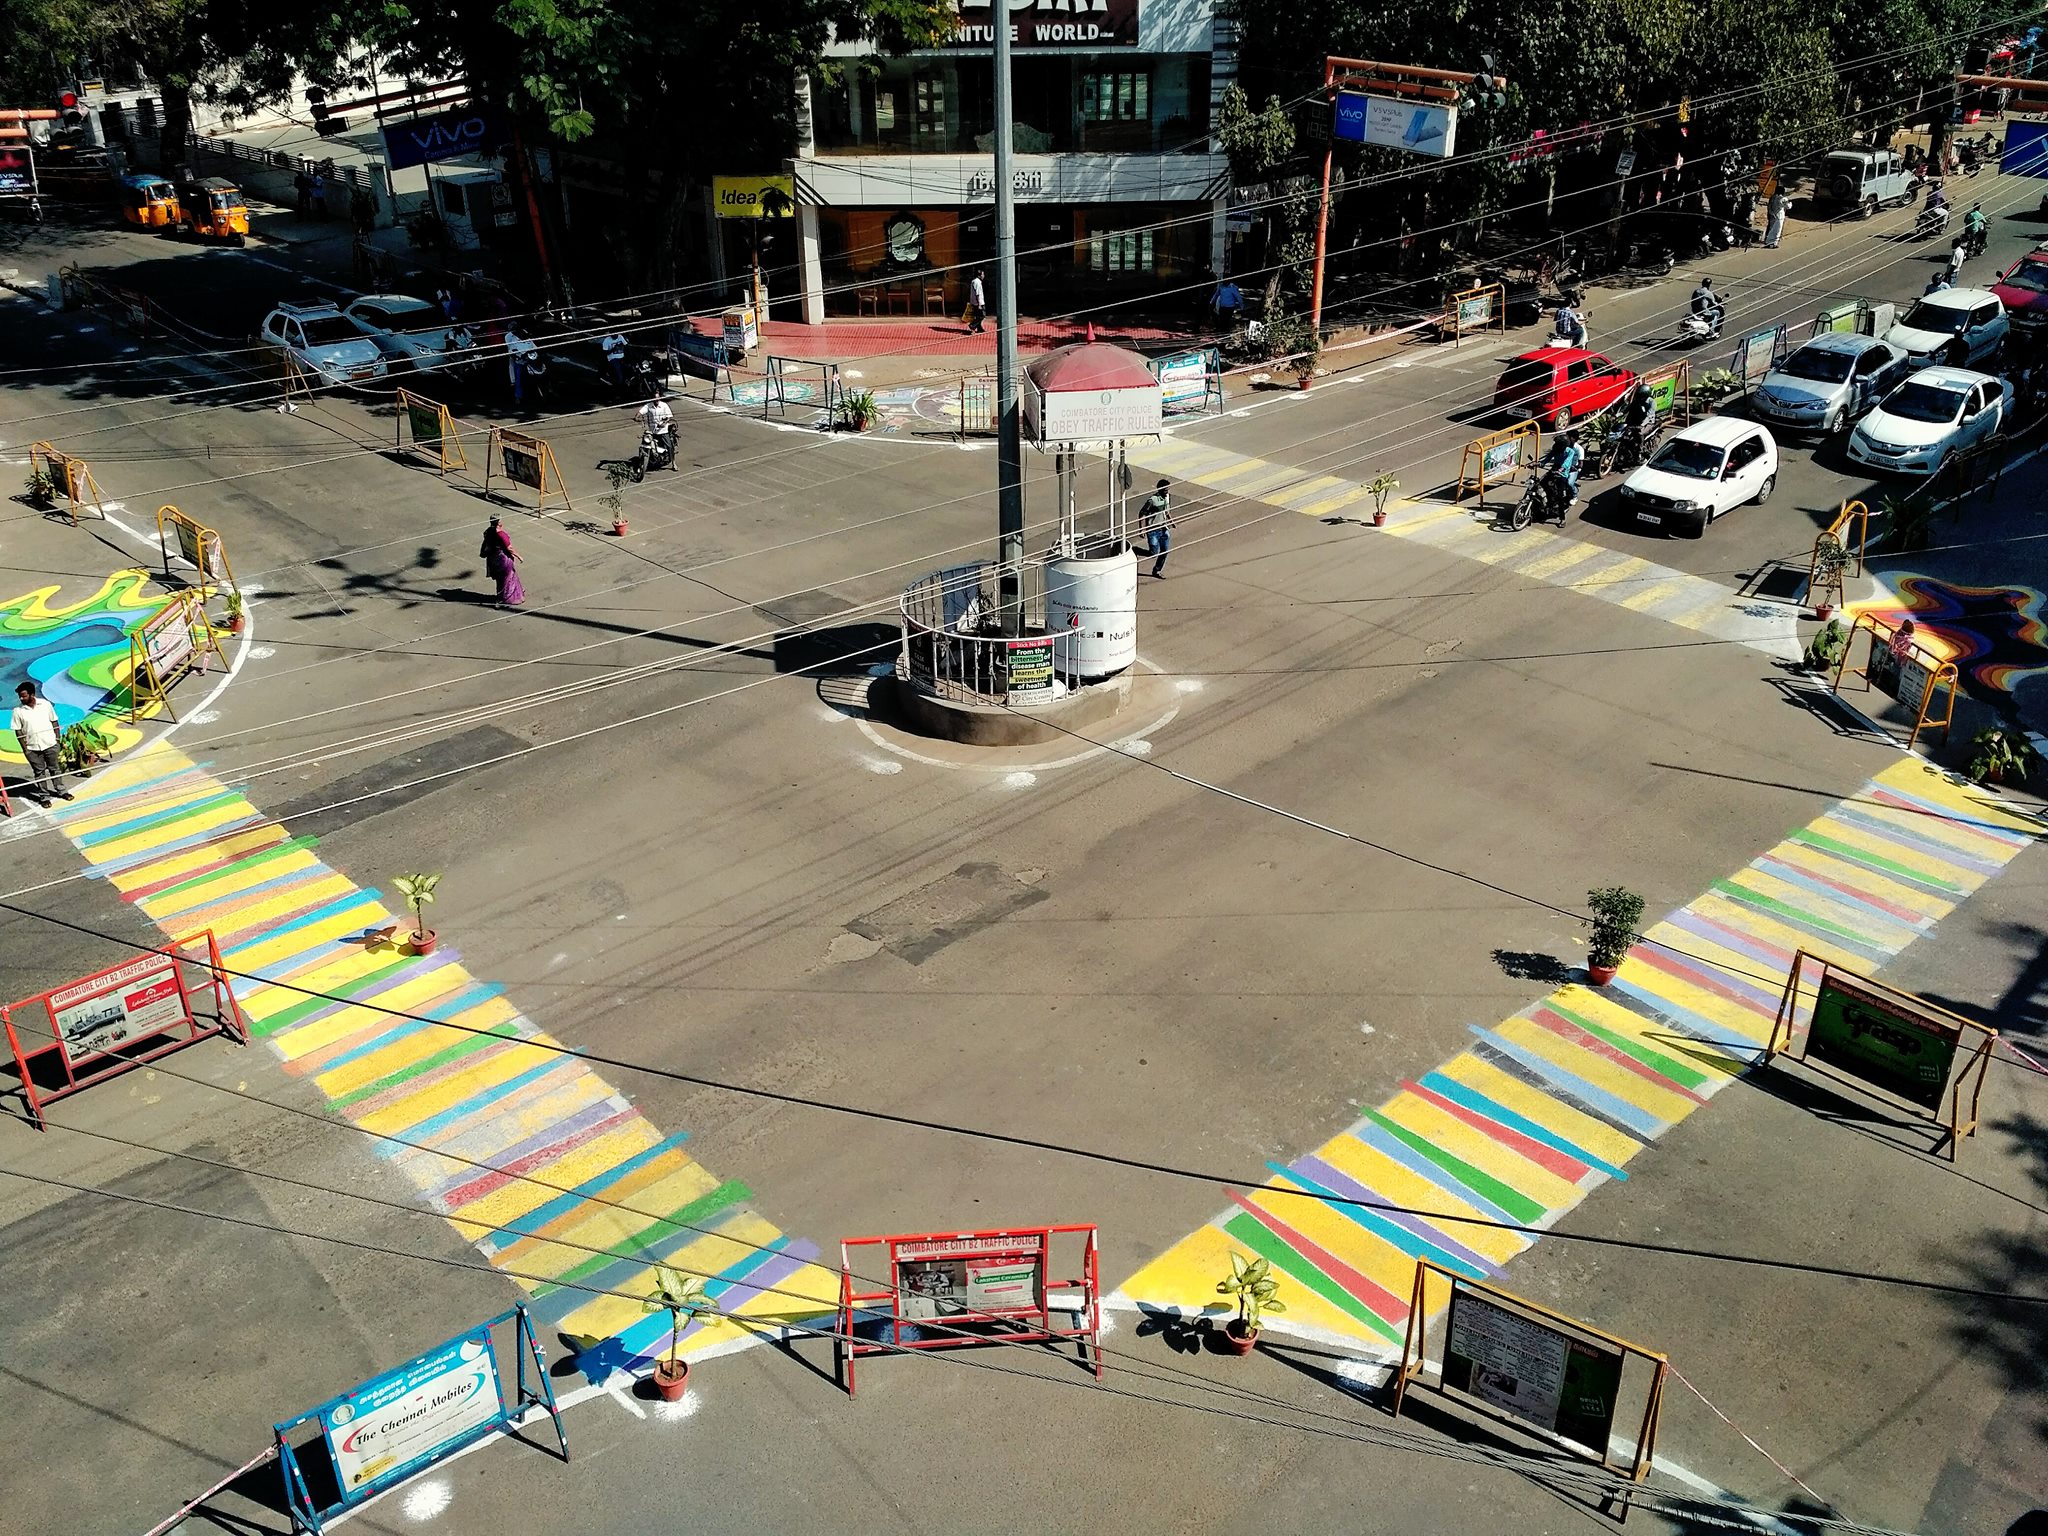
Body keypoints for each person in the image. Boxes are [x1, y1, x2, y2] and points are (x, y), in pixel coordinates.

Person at [10, 680, 70, 807]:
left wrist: (57, 739)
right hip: (32, 748)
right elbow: (18, 731)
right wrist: (26, 750)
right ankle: (44, 797)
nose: (21, 698)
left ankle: (61, 791)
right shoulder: (17, 711)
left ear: (32, 694)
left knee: (55, 769)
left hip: (50, 744)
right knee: (39, 773)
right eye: (20, 696)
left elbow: (54, 721)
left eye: (24, 696)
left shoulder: (45, 704)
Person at [479, 516, 524, 607]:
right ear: (499, 523)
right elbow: (509, 548)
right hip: (503, 559)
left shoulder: (488, 532)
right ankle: (508, 597)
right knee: (508, 578)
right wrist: (519, 556)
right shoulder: (501, 534)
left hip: (493, 559)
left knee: (499, 580)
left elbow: (485, 543)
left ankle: (500, 596)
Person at [1139, 478, 1173, 578]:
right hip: (1153, 530)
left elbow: (1166, 511)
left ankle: (1157, 570)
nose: (1167, 491)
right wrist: (1141, 529)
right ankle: (1135, 550)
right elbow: (1142, 513)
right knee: (1153, 552)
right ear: (1160, 489)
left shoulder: (1167, 497)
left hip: (1164, 528)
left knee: (1164, 551)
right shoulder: (1152, 500)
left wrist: (1171, 522)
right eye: (1166, 489)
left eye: (1168, 489)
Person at [506, 328, 538, 407]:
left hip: (530, 360)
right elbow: (511, 353)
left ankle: (549, 389)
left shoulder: (529, 340)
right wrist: (518, 357)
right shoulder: (514, 341)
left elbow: (536, 348)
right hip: (520, 362)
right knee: (519, 378)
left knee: (541, 371)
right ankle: (518, 396)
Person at [968, 270, 988, 335]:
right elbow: (978, 294)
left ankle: (979, 328)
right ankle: (972, 325)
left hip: (974, 302)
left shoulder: (974, 281)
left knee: (977, 316)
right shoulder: (978, 282)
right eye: (982, 274)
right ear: (979, 275)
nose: (983, 276)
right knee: (982, 316)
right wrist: (979, 304)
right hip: (979, 302)